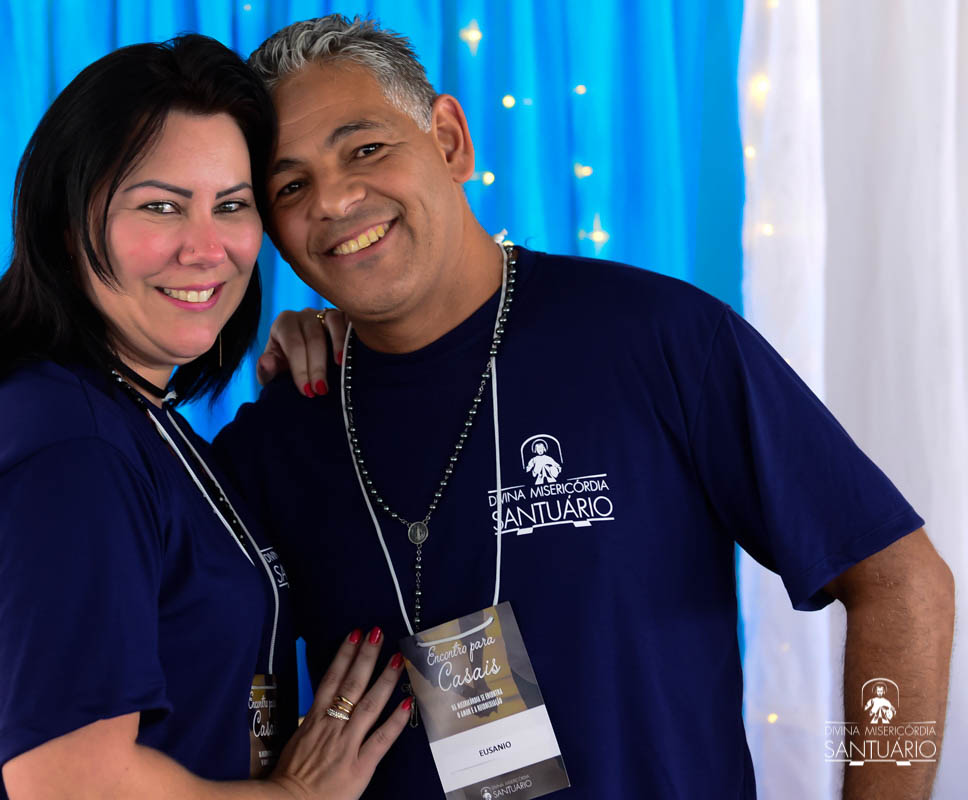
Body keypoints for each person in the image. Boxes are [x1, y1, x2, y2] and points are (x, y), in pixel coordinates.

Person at [206, 14, 955, 800]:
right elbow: (225, 708)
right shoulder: (274, 441)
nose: (334, 199)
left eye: (365, 149)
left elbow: (903, 581)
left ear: (450, 140)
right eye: (290, 186)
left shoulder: (658, 338)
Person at [0, 35, 409, 800]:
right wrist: (295, 797)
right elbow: (72, 790)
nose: (207, 249)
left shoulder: (129, 416)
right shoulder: (68, 445)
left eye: (232, 206)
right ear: (65, 225)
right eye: (161, 206)